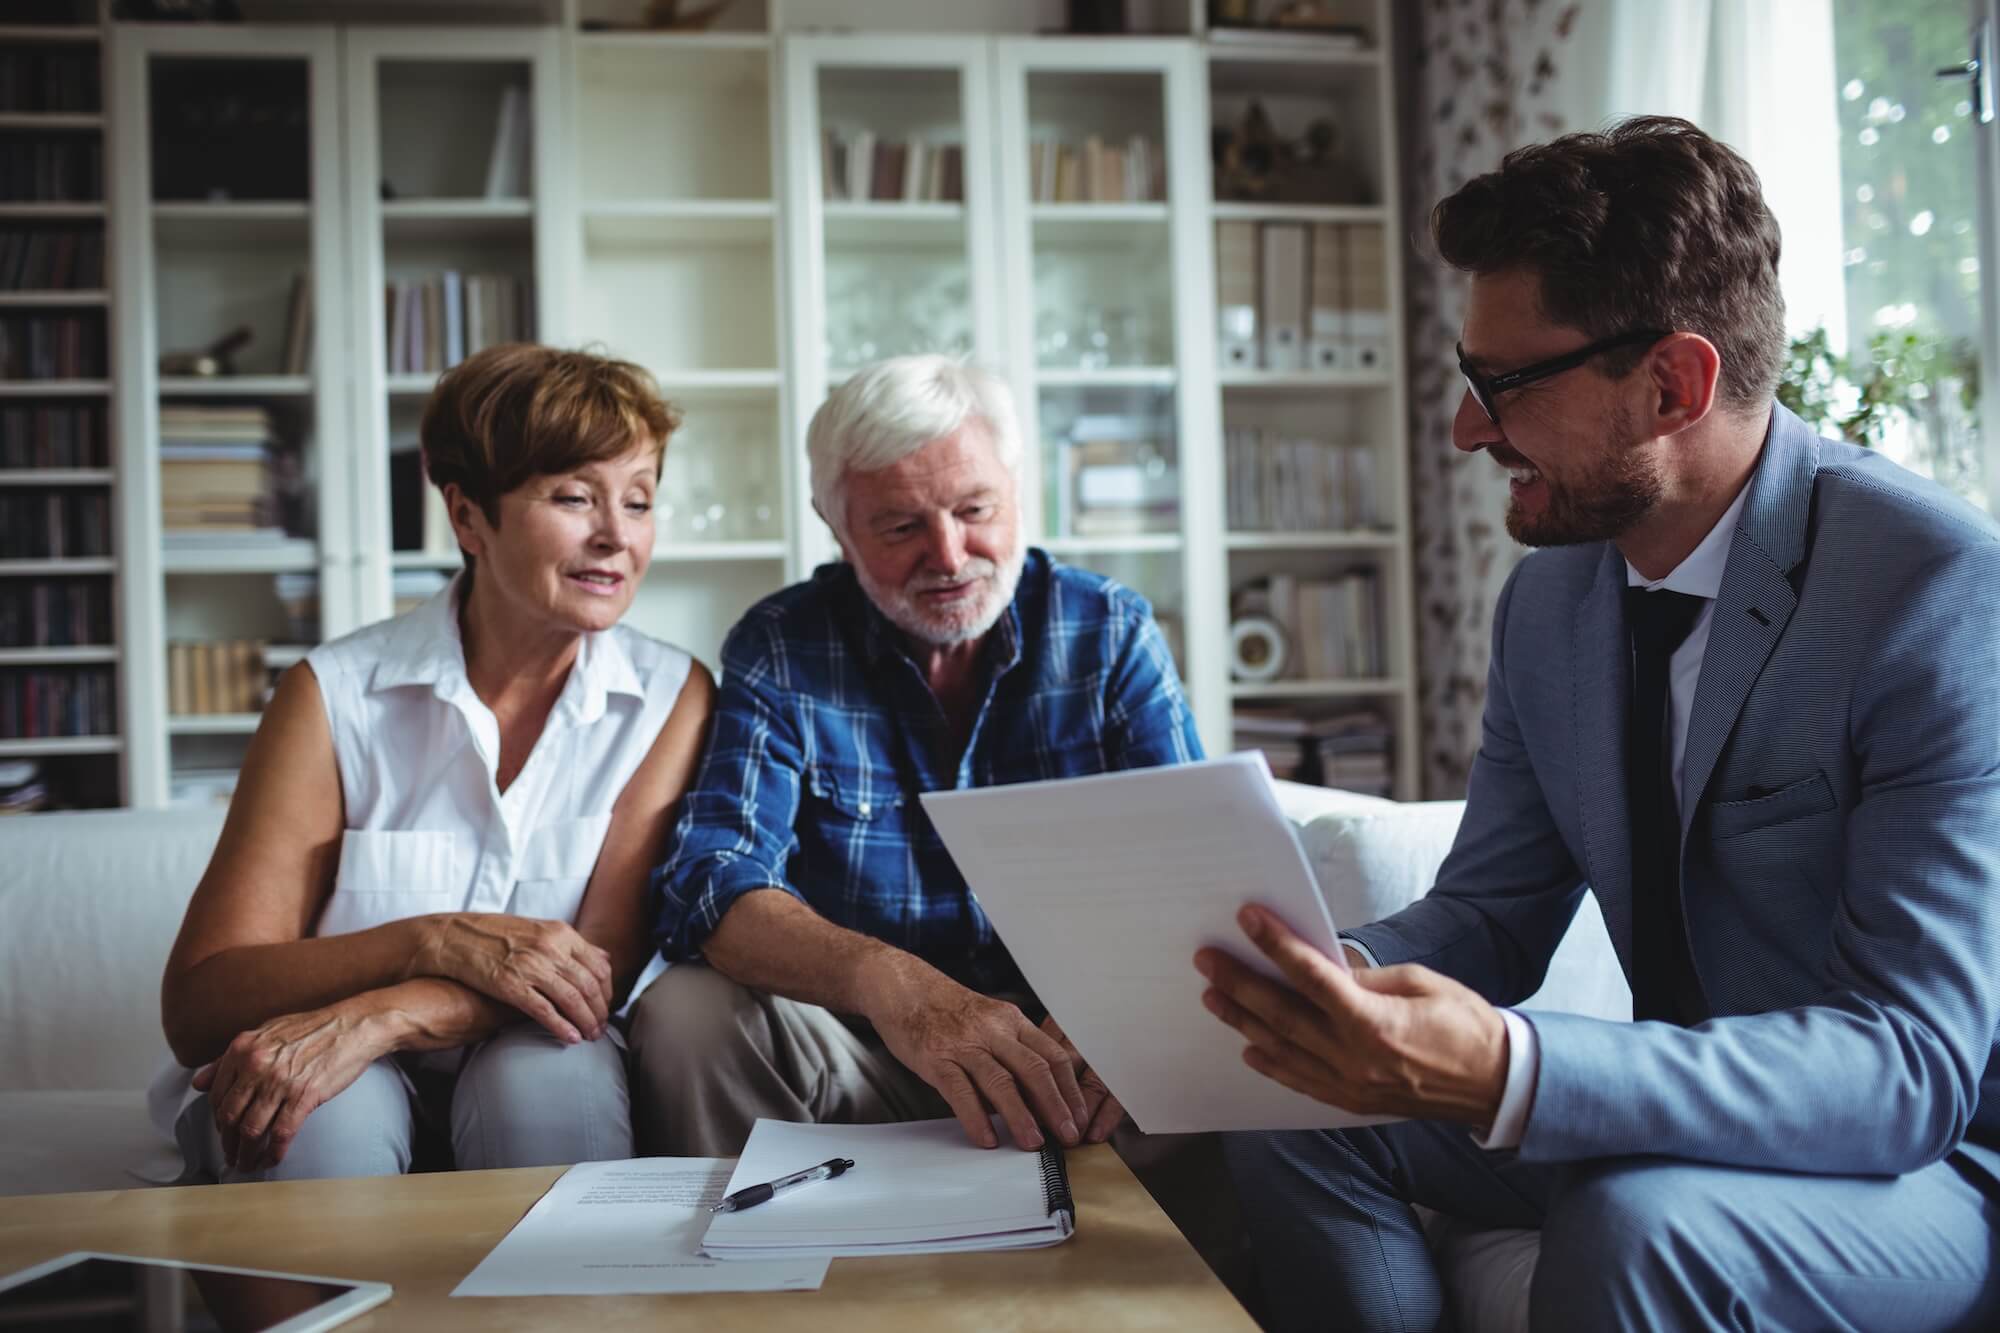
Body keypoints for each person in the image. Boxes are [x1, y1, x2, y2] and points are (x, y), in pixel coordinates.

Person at [1202, 115, 2000, 1331]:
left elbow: (1905, 1069)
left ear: (1673, 383)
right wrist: (1320, 985)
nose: (1468, 430)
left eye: (1504, 384)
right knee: (1294, 1110)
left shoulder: (1929, 589)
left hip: (1926, 1168)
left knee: (1638, 1227)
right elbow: (1489, 912)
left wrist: (1515, 1066)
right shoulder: (1552, 596)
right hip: (1677, 1115)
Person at [152, 343, 715, 1182]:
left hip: (531, 1055)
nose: (616, 536)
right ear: (467, 518)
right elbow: (201, 1004)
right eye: (573, 496)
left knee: (550, 1074)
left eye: (638, 501)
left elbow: (595, 974)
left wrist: (383, 1016)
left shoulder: (673, 695)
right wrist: (433, 941)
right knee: (322, 1120)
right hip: (329, 1075)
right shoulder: (332, 694)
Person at [629, 354, 1202, 1158]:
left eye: (975, 509)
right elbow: (715, 882)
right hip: (866, 1058)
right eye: (901, 526)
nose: (948, 553)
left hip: (1080, 1055)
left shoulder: (1110, 630)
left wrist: (1118, 999)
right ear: (838, 531)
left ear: (1017, 490)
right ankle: (762, 1272)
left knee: (1205, 1032)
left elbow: (1194, 867)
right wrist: (895, 987)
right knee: (685, 1013)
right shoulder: (784, 643)